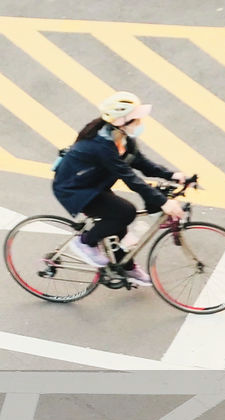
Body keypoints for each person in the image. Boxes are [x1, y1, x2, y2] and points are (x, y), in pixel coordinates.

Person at [52, 91, 189, 286]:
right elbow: (129, 177)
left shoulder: (121, 137)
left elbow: (140, 162)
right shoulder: (102, 146)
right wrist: (163, 202)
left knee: (118, 221)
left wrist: (172, 175)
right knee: (124, 212)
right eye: (136, 119)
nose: (139, 123)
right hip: (75, 190)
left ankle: (125, 267)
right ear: (120, 121)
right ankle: (85, 242)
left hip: (93, 184)